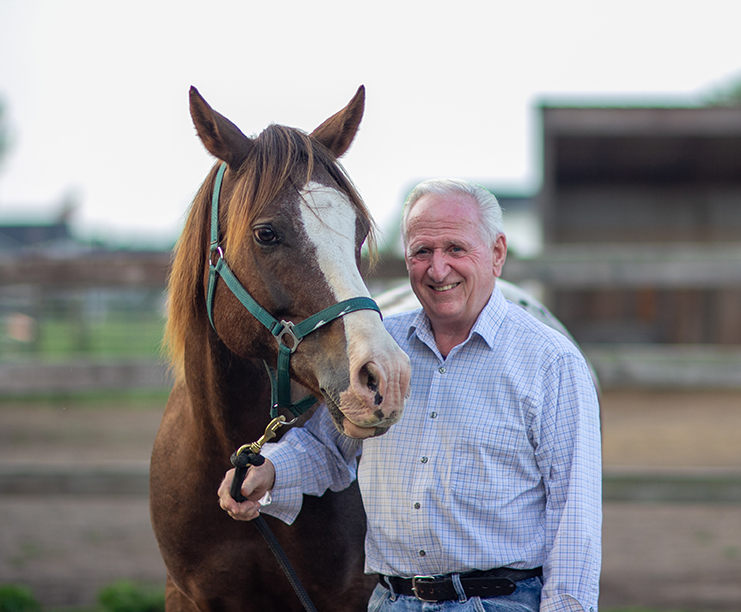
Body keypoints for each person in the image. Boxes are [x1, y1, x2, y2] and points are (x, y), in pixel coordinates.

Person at [219, 178, 602, 612]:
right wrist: (270, 472)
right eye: (422, 252)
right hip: (392, 601)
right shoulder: (381, 351)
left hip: (500, 603)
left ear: (497, 253)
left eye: (456, 249)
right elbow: (328, 448)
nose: (438, 270)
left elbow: (576, 520)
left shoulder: (550, 362)